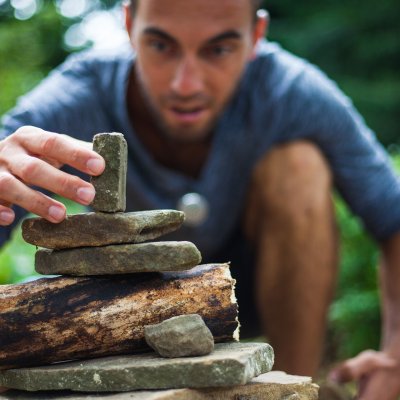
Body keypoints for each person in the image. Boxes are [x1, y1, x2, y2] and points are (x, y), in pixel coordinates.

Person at [0, 0, 400, 398]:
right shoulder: (78, 94)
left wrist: (396, 356)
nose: (185, 85)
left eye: (218, 49)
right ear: (128, 24)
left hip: (259, 292)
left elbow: (392, 215)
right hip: (127, 307)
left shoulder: (291, 92)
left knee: (299, 166)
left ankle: (293, 388)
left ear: (256, 36)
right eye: (161, 46)